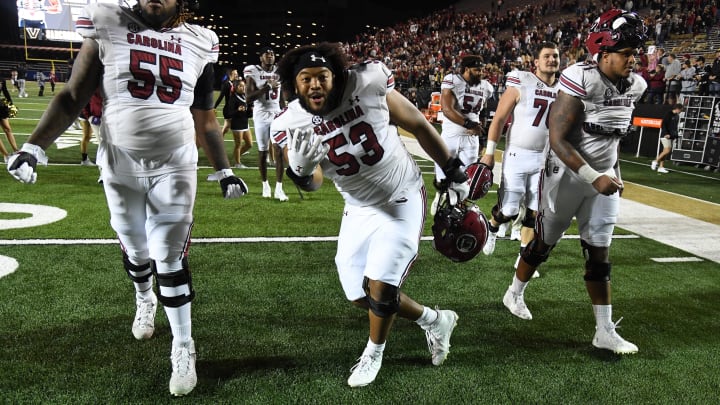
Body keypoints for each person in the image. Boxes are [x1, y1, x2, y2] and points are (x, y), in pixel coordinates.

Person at [6, 0, 248, 396]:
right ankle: (143, 297)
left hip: (175, 164)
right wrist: (34, 147)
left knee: (169, 255)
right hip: (119, 163)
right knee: (137, 251)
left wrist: (223, 170)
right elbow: (73, 95)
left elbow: (204, 119)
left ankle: (183, 345)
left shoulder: (202, 41)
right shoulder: (107, 19)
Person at [270, 42, 469, 387]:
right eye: (306, 79)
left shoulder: (367, 83)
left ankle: (373, 353)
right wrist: (301, 172)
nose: (315, 85)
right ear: (294, 83)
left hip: (400, 196)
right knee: (358, 294)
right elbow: (315, 183)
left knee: (381, 284)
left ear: (336, 76)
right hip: (358, 206)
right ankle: (435, 320)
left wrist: (452, 168)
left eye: (322, 76)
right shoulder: (292, 122)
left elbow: (418, 124)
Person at [501, 9, 646, 355]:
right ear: (604, 52)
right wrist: (593, 177)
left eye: (634, 53)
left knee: (599, 254)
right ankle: (515, 291)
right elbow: (558, 137)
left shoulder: (636, 86)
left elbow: (610, 140)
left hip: (604, 179)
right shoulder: (581, 77)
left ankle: (604, 331)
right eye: (625, 53)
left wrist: (611, 173)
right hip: (565, 176)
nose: (633, 60)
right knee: (543, 243)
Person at [479, 42, 561, 280]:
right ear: (536, 62)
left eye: (555, 56)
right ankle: (493, 226)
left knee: (535, 212)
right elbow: (500, 117)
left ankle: (523, 256)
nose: (551, 60)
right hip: (517, 154)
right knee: (509, 208)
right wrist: (489, 152)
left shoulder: (564, 88)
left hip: (544, 158)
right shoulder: (521, 80)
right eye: (546, 56)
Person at [430, 54, 494, 214]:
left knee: (466, 181)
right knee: (443, 177)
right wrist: (469, 123)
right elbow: (447, 109)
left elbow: (484, 110)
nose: (481, 73)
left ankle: (456, 211)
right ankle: (440, 196)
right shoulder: (453, 80)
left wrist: (482, 133)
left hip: (471, 140)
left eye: (482, 69)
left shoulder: (486, 86)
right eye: (477, 69)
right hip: (451, 135)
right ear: (466, 69)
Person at [244, 46, 288, 201]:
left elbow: (281, 96)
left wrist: (285, 111)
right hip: (261, 115)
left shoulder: (279, 71)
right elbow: (248, 98)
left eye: (272, 54)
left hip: (277, 115)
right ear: (261, 58)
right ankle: (265, 185)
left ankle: (279, 188)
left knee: (279, 151)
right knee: (263, 152)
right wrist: (267, 86)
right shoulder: (253, 71)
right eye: (267, 54)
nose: (270, 56)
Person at [226, 78, 252, 168]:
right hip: (237, 125)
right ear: (236, 87)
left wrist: (250, 110)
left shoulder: (245, 96)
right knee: (238, 144)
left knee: (249, 144)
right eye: (241, 86)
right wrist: (238, 110)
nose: (243, 87)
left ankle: (236, 156)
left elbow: (248, 114)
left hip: (245, 123)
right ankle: (237, 163)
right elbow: (229, 113)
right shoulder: (233, 98)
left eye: (244, 86)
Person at [651, 103, 682, 174]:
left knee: (665, 151)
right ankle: (655, 161)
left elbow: (674, 127)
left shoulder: (677, 116)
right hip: (665, 135)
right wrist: (666, 134)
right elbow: (663, 124)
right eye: (681, 110)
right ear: (677, 109)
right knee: (667, 150)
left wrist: (675, 135)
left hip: (671, 136)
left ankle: (661, 167)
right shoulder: (669, 114)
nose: (681, 111)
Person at [79, 89, 102, 166]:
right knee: (86, 136)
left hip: (93, 113)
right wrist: (88, 116)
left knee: (89, 136)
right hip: (86, 113)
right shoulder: (89, 86)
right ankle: (84, 160)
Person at [213, 68, 238, 137]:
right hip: (228, 109)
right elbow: (221, 97)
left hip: (236, 109)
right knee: (228, 126)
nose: (237, 75)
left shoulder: (237, 83)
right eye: (235, 74)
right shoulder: (226, 84)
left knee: (227, 128)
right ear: (230, 75)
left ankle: (219, 139)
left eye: (237, 74)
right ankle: (218, 140)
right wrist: (214, 107)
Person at [0, 78, 19, 162]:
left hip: (0, 106)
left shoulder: (1, 78)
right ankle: (6, 155)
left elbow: (5, 91)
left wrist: (11, 104)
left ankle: (16, 150)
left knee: (7, 129)